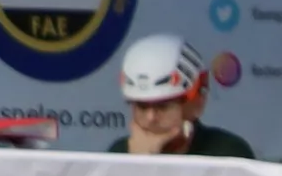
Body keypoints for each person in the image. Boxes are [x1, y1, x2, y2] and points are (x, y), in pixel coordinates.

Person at [109, 32, 254, 158]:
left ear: (198, 102)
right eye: (141, 106)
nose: (151, 117)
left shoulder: (228, 155)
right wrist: (137, 163)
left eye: (163, 106)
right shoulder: (118, 155)